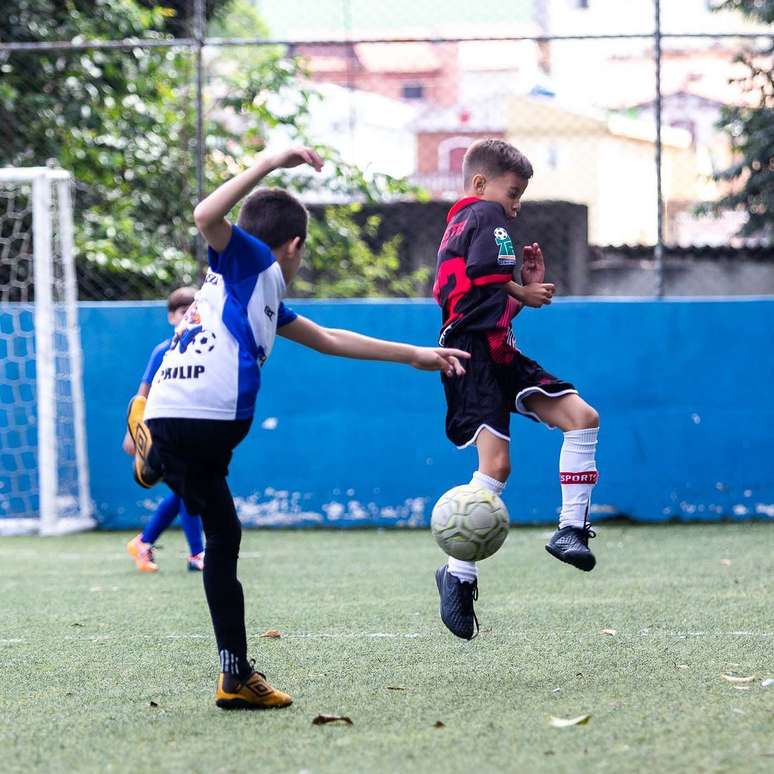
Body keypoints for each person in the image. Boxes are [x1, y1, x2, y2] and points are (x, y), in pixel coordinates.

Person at [126, 145, 470, 710]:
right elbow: (205, 217)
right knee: (223, 537)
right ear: (295, 247)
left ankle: (156, 456)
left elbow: (329, 338)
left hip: (172, 409)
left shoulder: (255, 293)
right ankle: (233, 675)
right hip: (206, 413)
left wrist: (415, 354)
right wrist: (266, 162)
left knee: (221, 533)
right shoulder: (251, 262)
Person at [432, 138, 601, 640]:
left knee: (582, 418)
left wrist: (520, 295)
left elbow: (484, 297)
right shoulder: (484, 214)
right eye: (514, 191)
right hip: (470, 354)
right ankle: (457, 575)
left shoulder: (466, 225)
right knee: (496, 466)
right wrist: (520, 286)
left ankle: (571, 530)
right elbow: (488, 273)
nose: (517, 203)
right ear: (482, 184)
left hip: (497, 348)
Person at [122, 287, 205, 573]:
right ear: (172, 317)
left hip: (190, 429)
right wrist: (133, 433)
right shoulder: (163, 350)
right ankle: (197, 554)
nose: (190, 316)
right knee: (187, 487)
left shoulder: (203, 348)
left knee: (186, 489)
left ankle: (144, 543)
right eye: (184, 312)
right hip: (162, 431)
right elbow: (142, 392)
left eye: (195, 310)